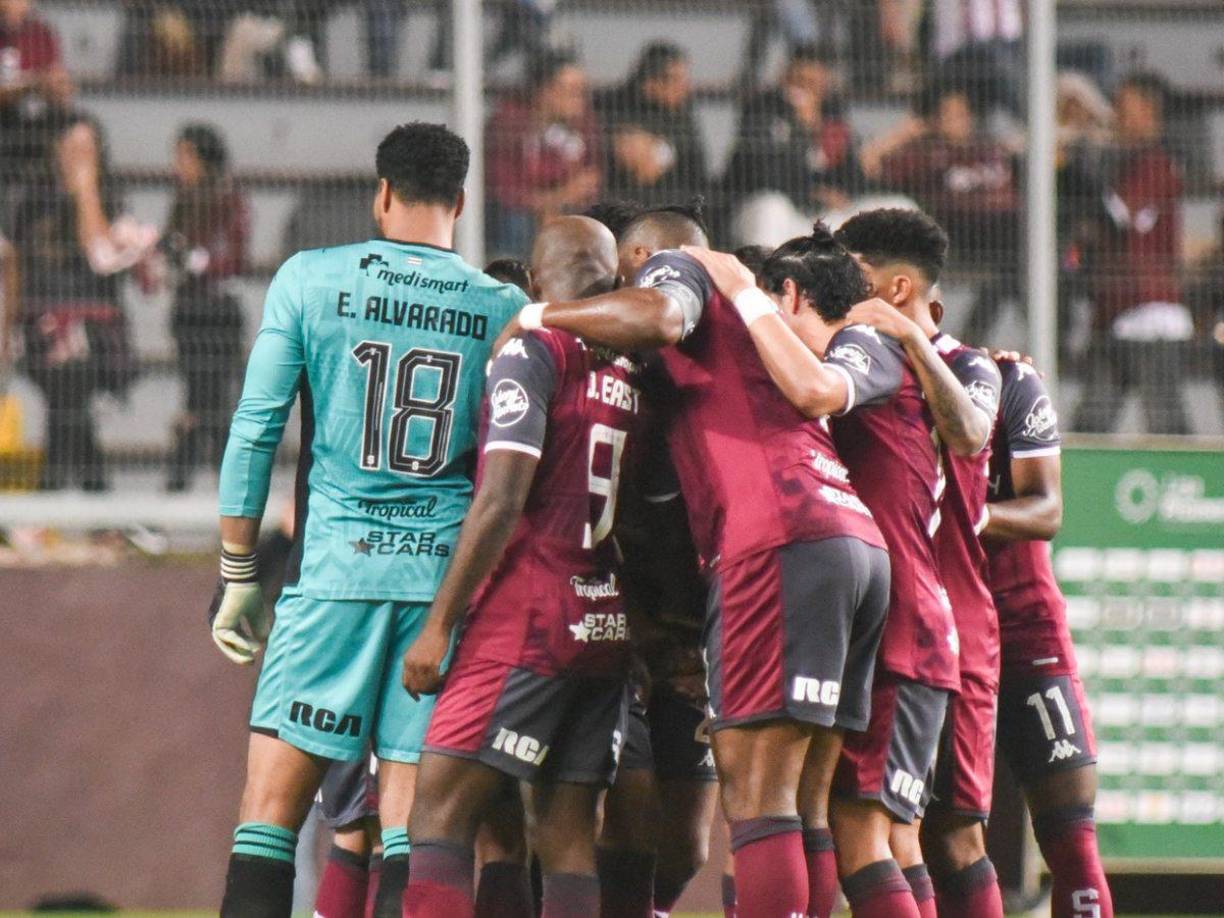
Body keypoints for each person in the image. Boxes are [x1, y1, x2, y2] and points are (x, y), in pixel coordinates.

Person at [493, 208, 892, 918]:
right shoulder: (765, 334)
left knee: (760, 801)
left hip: (776, 536)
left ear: (641, 257)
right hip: (853, 543)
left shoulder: (680, 271)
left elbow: (659, 314)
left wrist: (536, 316)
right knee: (807, 804)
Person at [209, 121, 528, 918]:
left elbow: (254, 431)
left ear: (382, 194)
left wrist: (240, 573)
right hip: (441, 595)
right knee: (412, 832)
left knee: (268, 821)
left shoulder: (310, 280)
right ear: (461, 202)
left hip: (332, 580)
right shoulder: (505, 309)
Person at [684, 224, 987, 917]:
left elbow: (822, 390)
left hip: (898, 617)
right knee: (826, 815)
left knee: (862, 832)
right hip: (890, 609)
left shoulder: (866, 343)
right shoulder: (883, 358)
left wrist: (741, 293)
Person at [399, 215, 646, 917]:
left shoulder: (534, 349)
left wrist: (438, 626)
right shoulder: (630, 368)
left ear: (535, 283)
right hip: (604, 622)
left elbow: (501, 500)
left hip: (528, 615)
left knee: (439, 814)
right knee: (568, 836)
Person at [834, 208, 1006, 918]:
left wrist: (909, 338)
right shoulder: (859, 362)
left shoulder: (969, 366)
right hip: (887, 608)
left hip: (939, 617)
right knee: (894, 829)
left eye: (853, 272)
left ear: (897, 288)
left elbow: (970, 433)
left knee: (947, 831)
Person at [983, 356, 1114, 918]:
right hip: (937, 634)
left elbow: (1046, 509)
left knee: (1071, 833)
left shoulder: (1003, 380)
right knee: (944, 838)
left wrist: (964, 515)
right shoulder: (874, 387)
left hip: (1026, 627)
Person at [11, 118, 151, 491]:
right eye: (72, 148)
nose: (79, 156)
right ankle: (89, 495)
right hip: (43, 326)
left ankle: (55, 493)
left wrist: (86, 192)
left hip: (93, 330)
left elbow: (101, 257)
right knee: (68, 401)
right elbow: (16, 263)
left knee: (69, 400)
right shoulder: (33, 199)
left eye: (87, 149)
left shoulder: (110, 198)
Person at [1073, 73, 1189, 435]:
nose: (1115, 116)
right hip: (1115, 311)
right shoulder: (1125, 162)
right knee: (1091, 425)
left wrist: (1081, 159)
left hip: (1148, 314)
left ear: (1148, 111)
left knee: (1167, 425)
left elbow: (1116, 213)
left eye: (1123, 107)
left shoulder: (1155, 162)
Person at [864, 83, 1021, 343]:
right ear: (934, 119)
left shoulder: (989, 148)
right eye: (947, 114)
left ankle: (972, 336)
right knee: (1023, 258)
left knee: (1012, 272)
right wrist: (907, 132)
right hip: (961, 231)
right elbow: (869, 163)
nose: (956, 121)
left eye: (961, 113)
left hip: (1007, 233)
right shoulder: (926, 154)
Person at [152, 123, 249, 492]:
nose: (178, 164)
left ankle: (183, 489)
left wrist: (193, 259)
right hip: (188, 312)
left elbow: (233, 259)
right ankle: (230, 493)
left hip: (216, 313)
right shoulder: (183, 199)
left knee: (206, 406)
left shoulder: (227, 199)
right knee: (204, 405)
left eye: (185, 156)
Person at [725, 45, 865, 248]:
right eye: (798, 82)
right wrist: (802, 128)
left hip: (814, 214)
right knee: (771, 208)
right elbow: (763, 175)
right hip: (763, 209)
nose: (803, 91)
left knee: (868, 214)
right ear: (784, 76)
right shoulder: (761, 108)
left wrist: (817, 128)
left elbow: (850, 175)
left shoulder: (832, 113)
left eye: (812, 84)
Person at [486, 49, 602, 257]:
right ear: (542, 91)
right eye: (571, 91)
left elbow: (590, 178)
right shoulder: (508, 124)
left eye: (582, 91)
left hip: (566, 210)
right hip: (520, 214)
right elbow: (506, 192)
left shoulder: (582, 124)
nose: (580, 100)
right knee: (516, 223)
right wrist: (555, 198)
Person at [599, 42, 708, 210]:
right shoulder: (613, 104)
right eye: (676, 80)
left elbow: (697, 164)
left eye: (685, 79)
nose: (685, 87)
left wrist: (662, 151)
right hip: (622, 202)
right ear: (650, 83)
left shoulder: (682, 111)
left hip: (675, 204)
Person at [0, 0, 74, 178]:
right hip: (4, 120)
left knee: (80, 136)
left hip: (37, 120)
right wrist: (33, 82)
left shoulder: (40, 32)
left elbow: (60, 87)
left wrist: (58, 85)